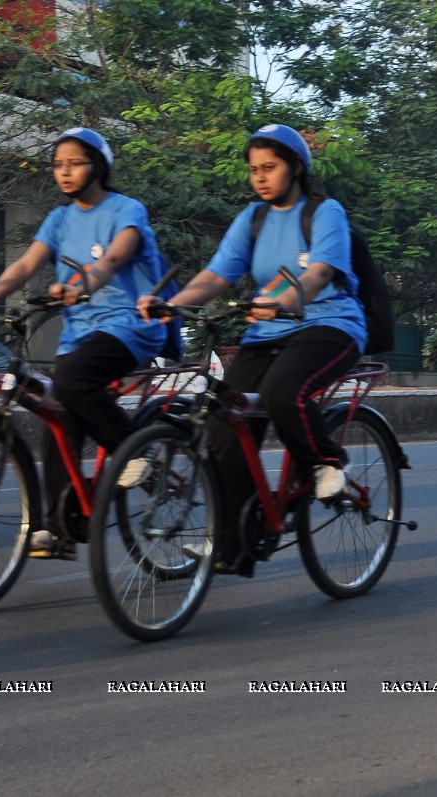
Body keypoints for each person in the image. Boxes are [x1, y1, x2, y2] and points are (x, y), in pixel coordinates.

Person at [138, 123, 367, 577]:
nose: (259, 177)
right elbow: (217, 275)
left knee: (285, 393)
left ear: (297, 167)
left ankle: (327, 462)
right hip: (266, 334)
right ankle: (236, 543)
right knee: (225, 422)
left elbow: (319, 274)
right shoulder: (252, 219)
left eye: (270, 167)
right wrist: (173, 304)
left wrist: (281, 301)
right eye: (253, 169)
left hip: (330, 326)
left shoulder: (325, 213)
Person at [0, 127, 168, 560]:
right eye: (58, 164)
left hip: (130, 327)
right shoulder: (59, 218)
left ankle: (133, 450)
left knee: (70, 380)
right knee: (56, 415)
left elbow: (112, 259)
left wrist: (83, 283)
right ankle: (61, 528)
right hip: (80, 334)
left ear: (99, 166)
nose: (65, 172)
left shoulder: (127, 209)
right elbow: (27, 263)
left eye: (75, 163)